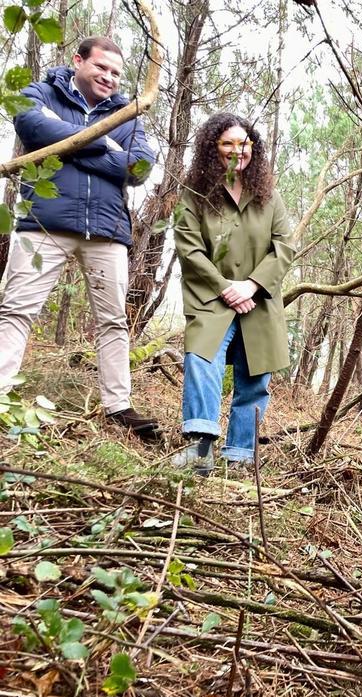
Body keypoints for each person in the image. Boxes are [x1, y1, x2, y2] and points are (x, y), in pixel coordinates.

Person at [0, 36, 158, 438]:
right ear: (78, 61)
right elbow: (29, 123)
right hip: (44, 223)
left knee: (113, 322)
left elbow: (139, 167)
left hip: (106, 230)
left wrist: (69, 144)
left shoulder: (127, 113)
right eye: (101, 67)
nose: (108, 77)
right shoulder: (43, 92)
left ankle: (118, 407)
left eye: (116, 73)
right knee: (17, 309)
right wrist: (101, 143)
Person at [172, 113, 294, 474]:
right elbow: (189, 250)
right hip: (211, 298)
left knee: (255, 378)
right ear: (213, 148)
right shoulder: (193, 195)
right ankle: (200, 446)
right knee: (201, 359)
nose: (236, 150)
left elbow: (285, 246)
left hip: (259, 300)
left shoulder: (269, 196)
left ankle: (240, 455)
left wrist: (252, 285)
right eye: (227, 143)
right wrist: (226, 288)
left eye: (243, 143)